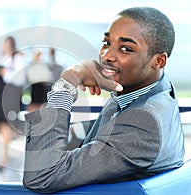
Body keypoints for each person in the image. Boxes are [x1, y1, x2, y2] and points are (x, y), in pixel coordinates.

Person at [23, 7, 185, 193]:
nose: (107, 56)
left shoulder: (143, 122)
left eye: (126, 49)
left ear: (158, 62)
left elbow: (41, 177)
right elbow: (99, 133)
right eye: (106, 42)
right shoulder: (151, 91)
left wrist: (67, 84)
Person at [0, 36, 26, 168]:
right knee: (3, 124)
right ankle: (5, 153)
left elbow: (19, 79)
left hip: (11, 96)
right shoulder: (3, 59)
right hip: (1, 95)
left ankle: (5, 155)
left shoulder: (18, 59)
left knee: (7, 123)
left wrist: (5, 73)